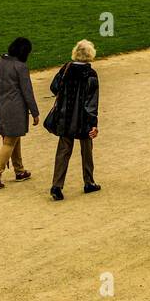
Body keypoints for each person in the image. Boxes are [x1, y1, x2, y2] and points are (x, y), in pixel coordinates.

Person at [46, 39, 100, 201]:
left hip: (65, 117)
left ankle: (57, 185)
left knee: (63, 152)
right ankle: (88, 182)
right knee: (86, 151)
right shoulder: (90, 74)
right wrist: (93, 124)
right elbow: (91, 103)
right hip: (83, 119)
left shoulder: (66, 68)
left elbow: (54, 87)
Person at [0, 37, 40, 190]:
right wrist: (34, 112)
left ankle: (19, 170)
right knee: (9, 141)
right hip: (15, 109)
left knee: (13, 136)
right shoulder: (21, 67)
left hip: (0, 105)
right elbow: (27, 92)